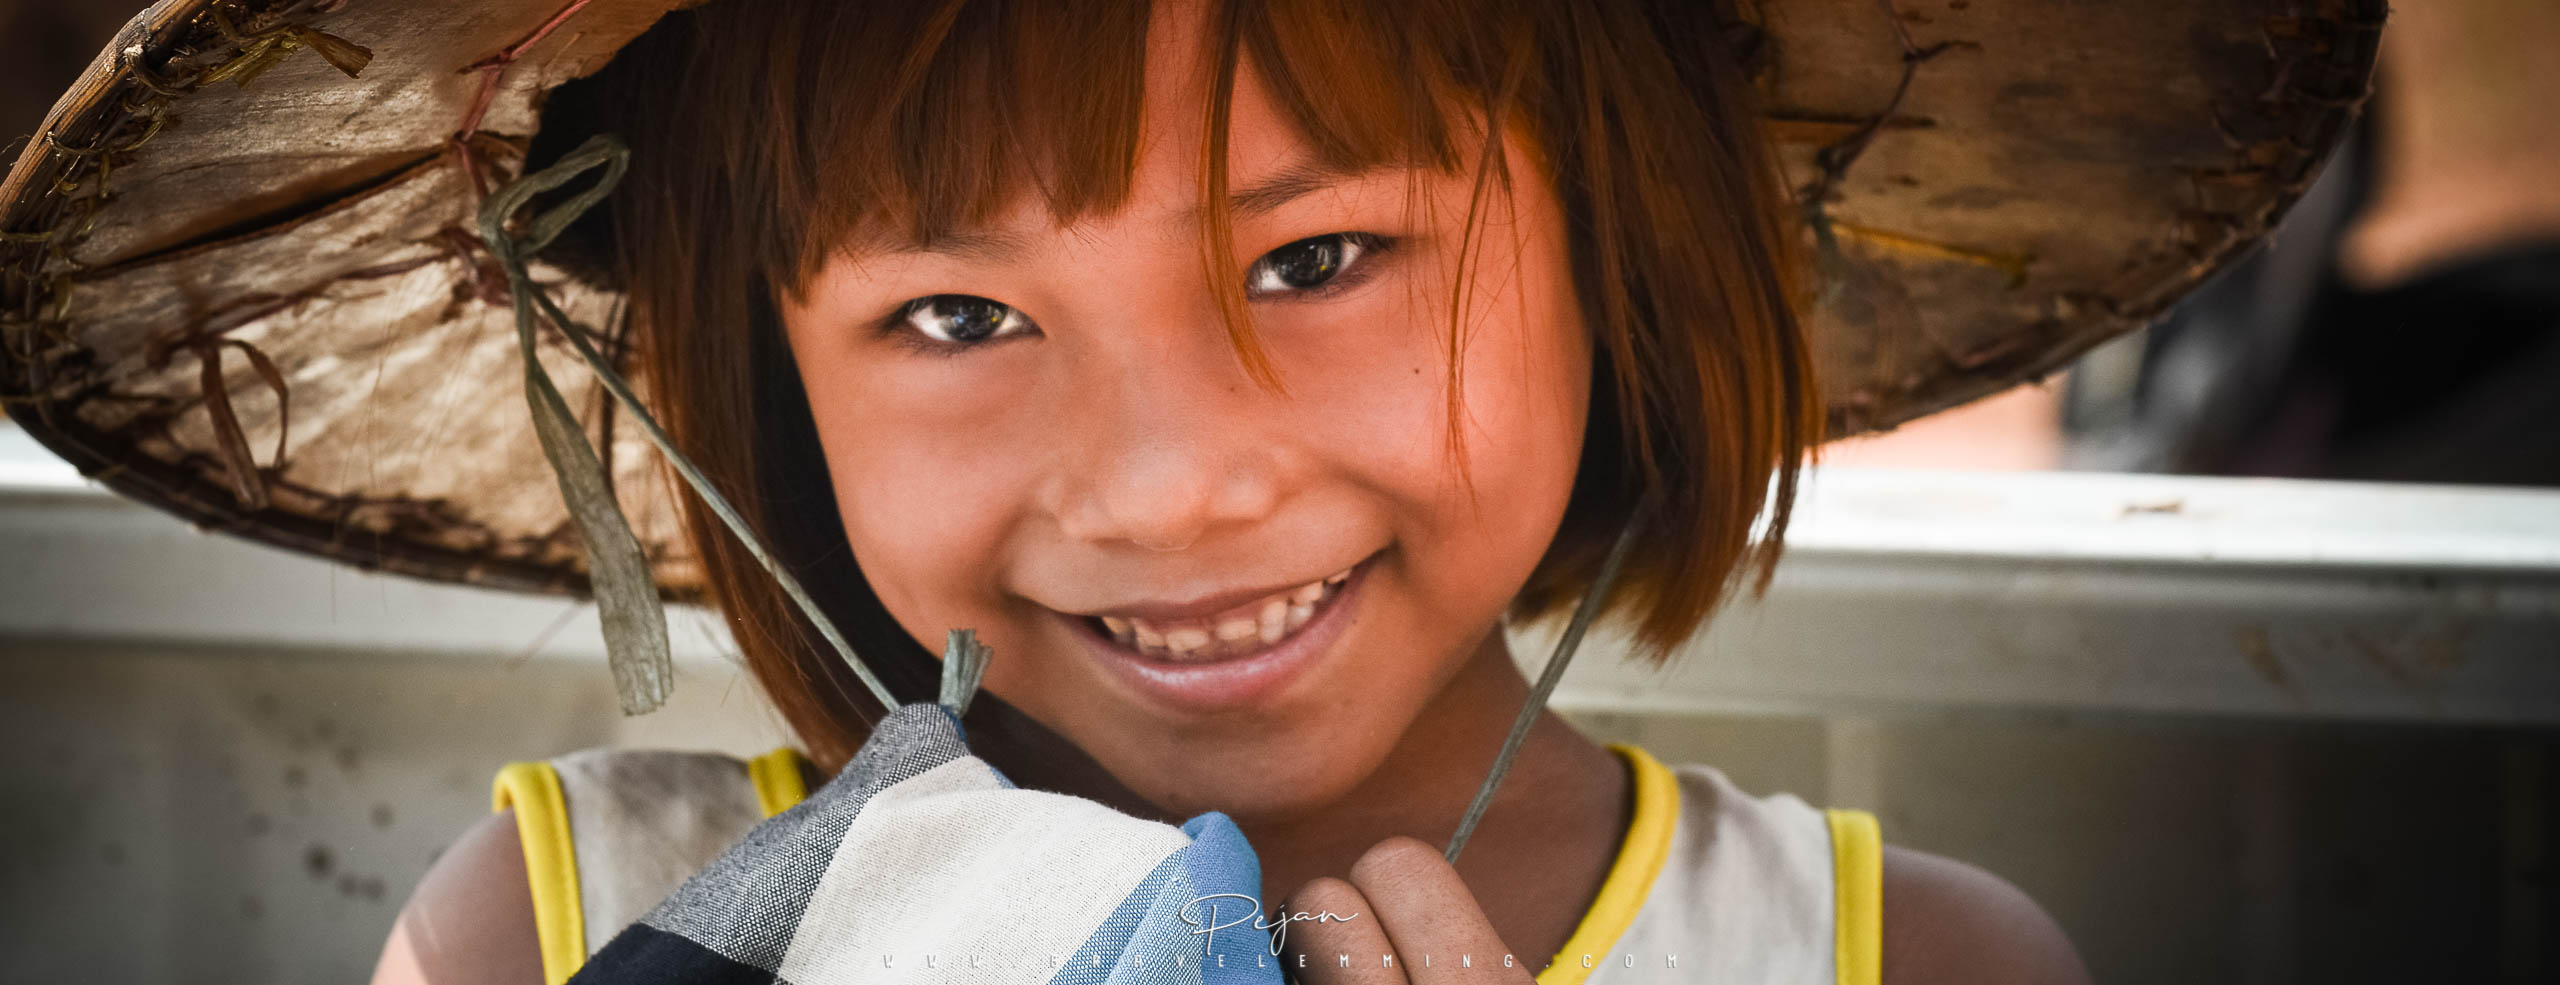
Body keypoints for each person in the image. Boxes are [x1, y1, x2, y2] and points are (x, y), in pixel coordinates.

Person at [0, 0, 2371, 982]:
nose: (1171, 479)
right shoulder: (568, 932)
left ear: (1623, 255)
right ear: (758, 379)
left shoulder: (1903, 970)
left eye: (1321, 255)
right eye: (951, 316)